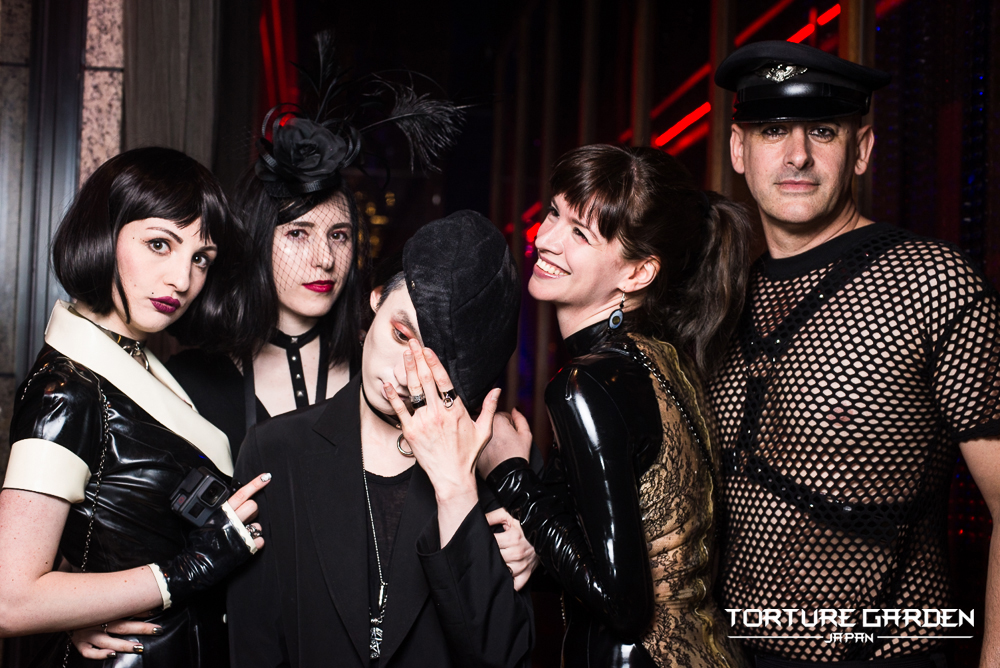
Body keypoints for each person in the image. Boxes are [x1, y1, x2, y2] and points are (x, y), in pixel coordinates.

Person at [708, 41, 1000, 665]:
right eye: (772, 130)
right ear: (738, 149)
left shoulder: (933, 283)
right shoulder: (722, 302)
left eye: (823, 131)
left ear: (862, 149)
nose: (797, 155)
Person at [476, 144, 752, 667]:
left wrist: (510, 474)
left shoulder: (586, 384)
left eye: (580, 233)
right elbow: (645, 541)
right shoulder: (666, 360)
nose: (545, 238)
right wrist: (538, 539)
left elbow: (624, 605)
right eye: (554, 213)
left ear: (638, 273)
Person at [227, 210, 534, 667]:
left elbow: (503, 656)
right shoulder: (275, 450)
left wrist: (456, 489)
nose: (405, 375)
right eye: (400, 333)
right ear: (376, 299)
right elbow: (254, 645)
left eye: (434, 363)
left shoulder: (499, 469)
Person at [0, 147, 269, 666]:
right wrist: (185, 571)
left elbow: (100, 528)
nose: (182, 280)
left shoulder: (134, 363)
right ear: (104, 234)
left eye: (201, 259)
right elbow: (10, 599)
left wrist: (82, 602)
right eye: (159, 244)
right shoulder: (66, 389)